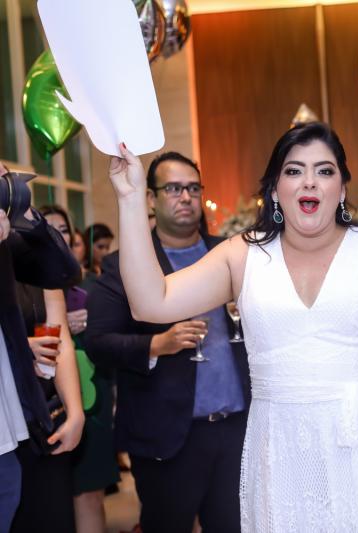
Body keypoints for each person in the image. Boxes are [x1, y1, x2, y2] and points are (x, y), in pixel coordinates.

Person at [104, 123, 358, 532]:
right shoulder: (243, 256)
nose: (309, 181)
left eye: (324, 170)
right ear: (274, 189)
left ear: (342, 188)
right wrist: (129, 199)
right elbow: (150, 302)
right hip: (282, 454)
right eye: (294, 170)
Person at [84, 151, 250, 533]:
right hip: (168, 434)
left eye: (193, 188)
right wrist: (157, 345)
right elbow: (98, 343)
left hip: (237, 429)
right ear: (151, 198)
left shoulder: (231, 254)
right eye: (173, 188)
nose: (185, 197)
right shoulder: (124, 266)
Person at [0, 162, 82, 533]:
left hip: (29, 417)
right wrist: (19, 347)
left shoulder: (12, 246)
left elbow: (63, 270)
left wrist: (23, 211)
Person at [40, 204, 120, 533]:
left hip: (92, 395)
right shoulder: (23, 281)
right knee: (50, 499)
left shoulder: (91, 284)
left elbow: (117, 335)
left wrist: (92, 322)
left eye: (63, 230)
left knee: (89, 492)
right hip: (44, 398)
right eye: (49, 228)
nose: (57, 236)